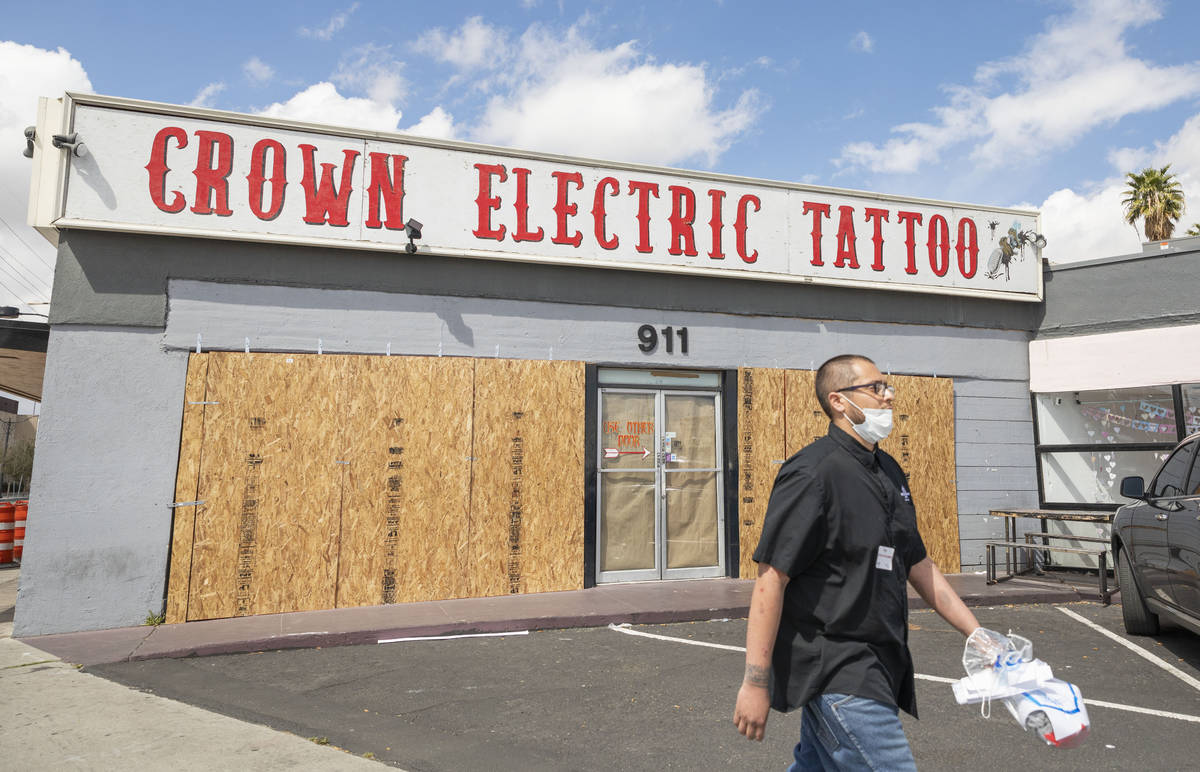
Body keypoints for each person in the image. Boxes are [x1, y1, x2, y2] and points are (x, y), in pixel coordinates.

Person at [733, 354, 983, 771]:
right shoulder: (812, 473)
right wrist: (755, 682)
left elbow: (917, 563)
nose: (888, 396)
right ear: (839, 402)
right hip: (839, 667)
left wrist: (978, 636)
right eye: (875, 387)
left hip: (882, 661)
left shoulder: (888, 470)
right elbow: (771, 579)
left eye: (887, 387)